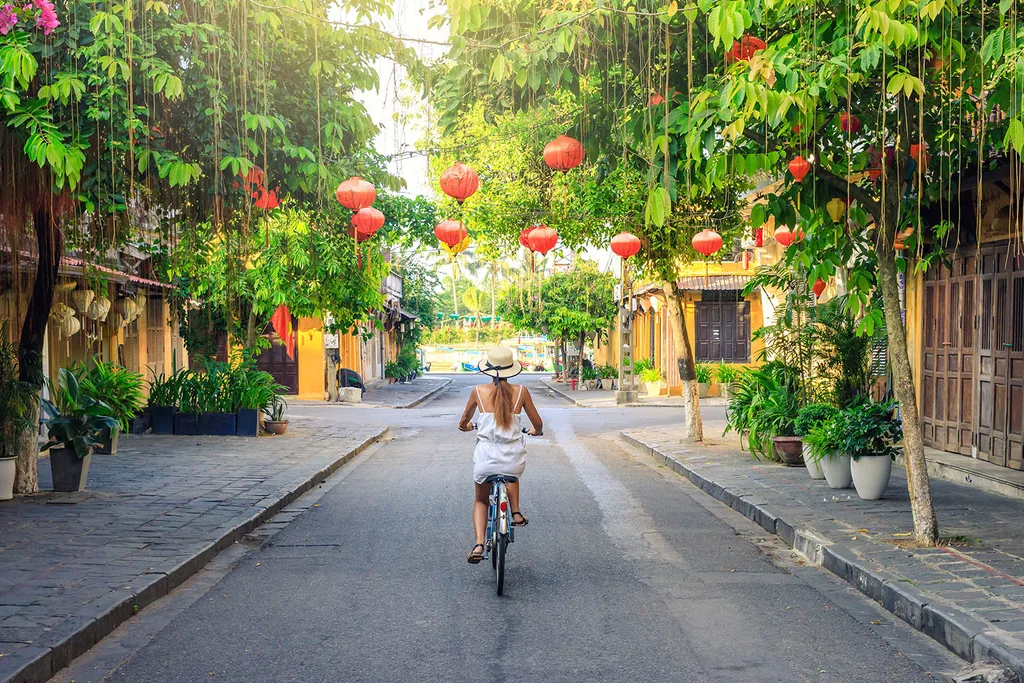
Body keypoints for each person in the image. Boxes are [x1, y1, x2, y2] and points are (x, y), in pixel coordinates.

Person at [458, 346, 543, 564]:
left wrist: (467, 426)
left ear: (488, 369)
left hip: (486, 458)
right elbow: (538, 424)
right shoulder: (521, 392)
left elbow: (463, 422)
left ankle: (478, 544)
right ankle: (515, 512)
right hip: (513, 457)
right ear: (511, 369)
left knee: (481, 499)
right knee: (511, 475)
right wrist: (536, 432)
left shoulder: (477, 391)